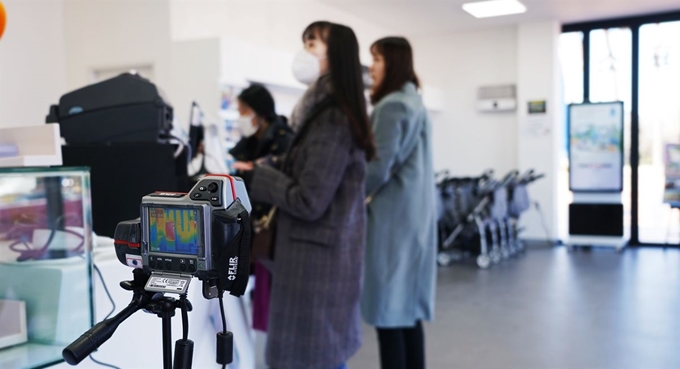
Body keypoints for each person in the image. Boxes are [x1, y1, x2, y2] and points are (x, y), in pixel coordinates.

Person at [236, 21, 375, 369]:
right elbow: (311, 166)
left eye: (312, 43)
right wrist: (271, 164)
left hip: (315, 265)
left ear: (336, 55)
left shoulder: (332, 118)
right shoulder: (324, 112)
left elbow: (309, 200)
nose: (304, 51)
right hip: (316, 260)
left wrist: (263, 177)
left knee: (314, 357)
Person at [361, 36, 438, 369]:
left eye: (377, 60)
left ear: (392, 62)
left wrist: (345, 194)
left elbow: (379, 166)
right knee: (406, 313)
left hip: (392, 220)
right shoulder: (414, 102)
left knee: (388, 313)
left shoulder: (392, 105)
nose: (372, 68)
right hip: (414, 217)